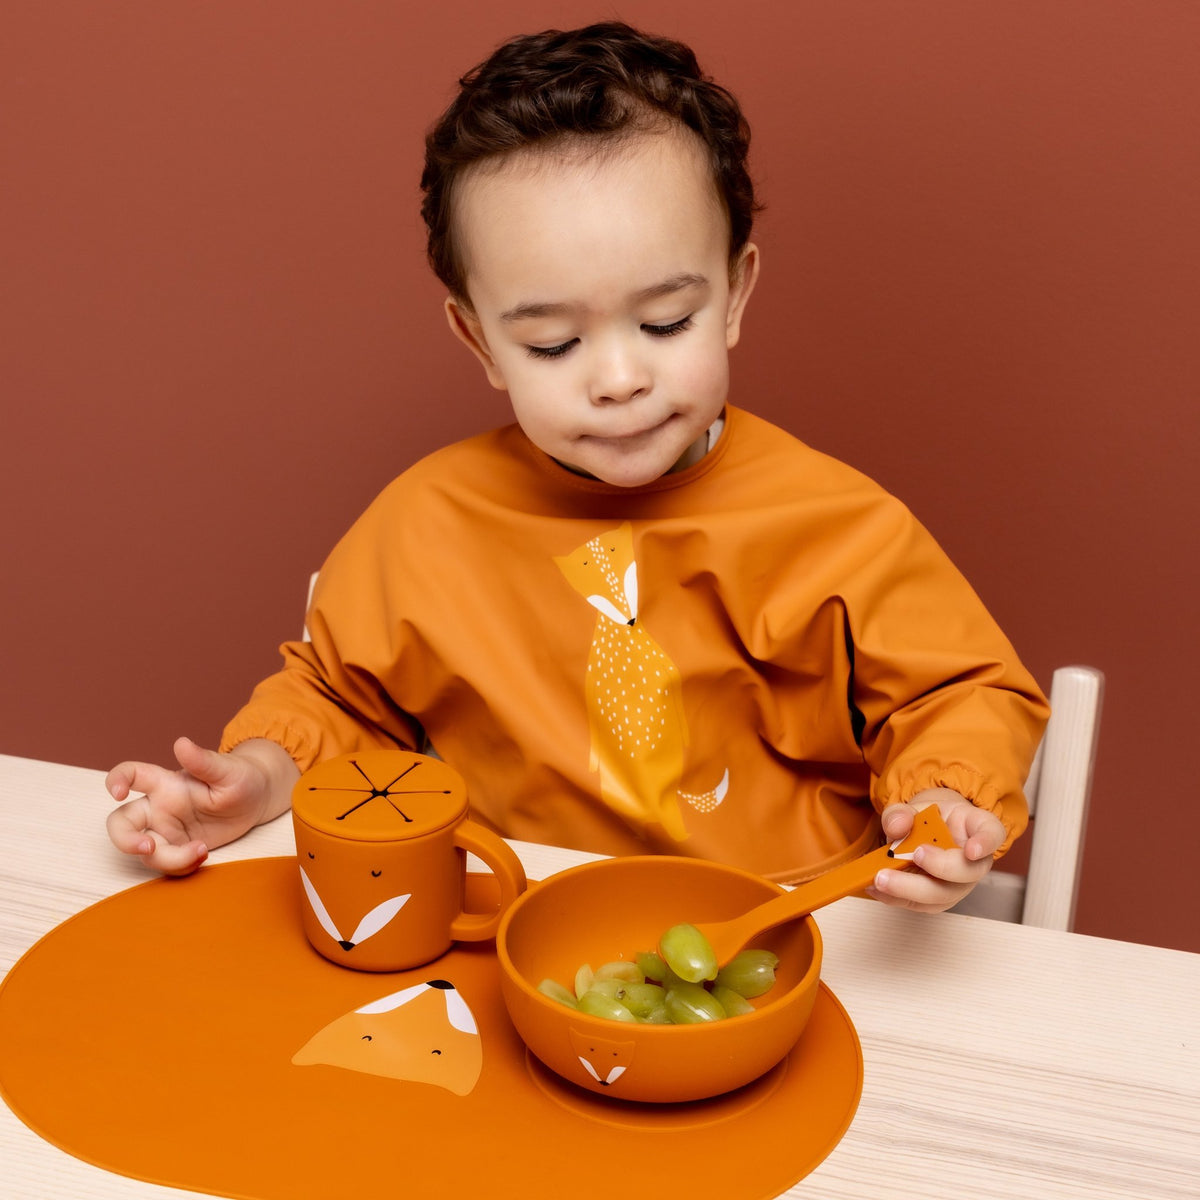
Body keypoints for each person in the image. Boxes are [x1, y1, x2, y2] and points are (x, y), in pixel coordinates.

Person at [106, 21, 1049, 913]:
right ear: (480, 342)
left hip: (788, 927)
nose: (620, 379)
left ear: (734, 295)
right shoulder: (428, 523)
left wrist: (939, 805)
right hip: (506, 923)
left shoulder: (839, 525)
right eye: (554, 344)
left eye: (666, 323)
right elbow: (337, 698)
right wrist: (265, 776)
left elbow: (960, 694)